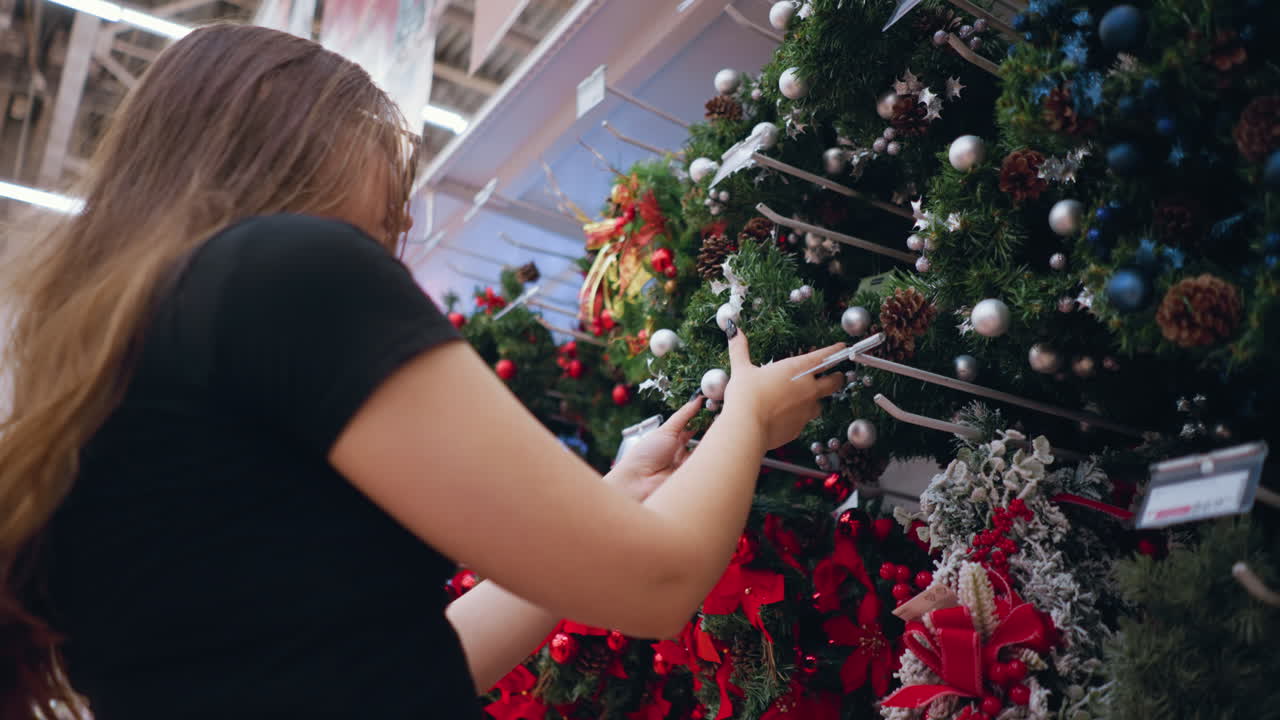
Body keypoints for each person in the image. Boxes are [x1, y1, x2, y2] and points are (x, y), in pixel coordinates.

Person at [0, 24, 845, 720]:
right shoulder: (286, 271)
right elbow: (658, 582)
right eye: (390, 179)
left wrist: (614, 499)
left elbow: (381, 673)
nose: (402, 218)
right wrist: (747, 419)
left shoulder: (117, 370)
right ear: (303, 142)